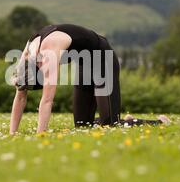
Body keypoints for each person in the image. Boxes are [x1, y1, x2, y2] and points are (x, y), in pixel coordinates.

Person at [9, 24, 170, 134]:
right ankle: (123, 118)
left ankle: (160, 122)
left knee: (109, 125)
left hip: (102, 57)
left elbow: (47, 100)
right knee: (82, 125)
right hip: (84, 63)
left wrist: (40, 135)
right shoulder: (27, 53)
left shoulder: (49, 54)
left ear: (40, 67)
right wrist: (12, 133)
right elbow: (20, 96)